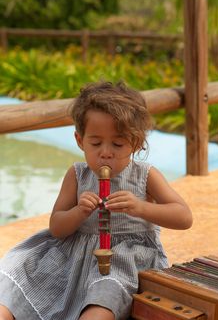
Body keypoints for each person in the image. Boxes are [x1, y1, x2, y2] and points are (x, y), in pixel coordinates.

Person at [0, 81, 193, 320]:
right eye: (95, 143)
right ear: (80, 140)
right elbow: (57, 228)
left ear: (136, 142)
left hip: (124, 259)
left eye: (118, 143)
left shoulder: (144, 175)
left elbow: (184, 217)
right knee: (17, 287)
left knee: (101, 304)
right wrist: (78, 212)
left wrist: (141, 207)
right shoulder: (77, 175)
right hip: (72, 257)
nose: (106, 152)